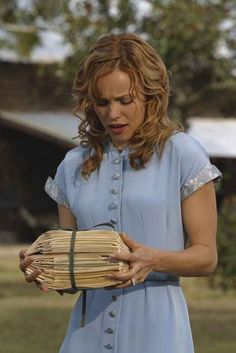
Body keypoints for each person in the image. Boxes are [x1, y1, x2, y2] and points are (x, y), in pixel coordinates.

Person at [19, 33, 222, 353]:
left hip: (159, 333)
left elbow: (206, 256)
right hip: (85, 337)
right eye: (102, 101)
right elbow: (73, 268)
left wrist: (154, 259)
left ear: (150, 95)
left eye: (125, 100)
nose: (113, 113)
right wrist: (45, 267)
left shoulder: (183, 155)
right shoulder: (72, 165)